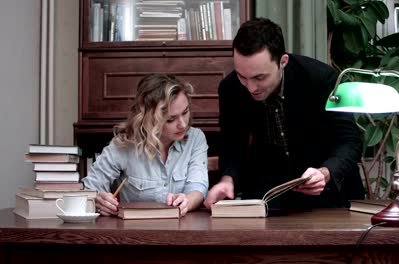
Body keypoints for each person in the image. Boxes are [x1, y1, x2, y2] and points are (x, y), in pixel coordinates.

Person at [204, 18, 365, 210]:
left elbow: (349, 141)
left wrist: (325, 172)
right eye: (242, 76)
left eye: (259, 77)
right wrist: (227, 180)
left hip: (331, 196)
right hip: (272, 197)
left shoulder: (321, 78)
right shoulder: (231, 88)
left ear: (283, 61)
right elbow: (232, 144)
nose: (250, 87)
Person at [82, 74, 209, 217]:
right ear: (149, 119)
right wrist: (98, 201)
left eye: (185, 112)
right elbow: (89, 189)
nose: (183, 124)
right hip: (133, 233)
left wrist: (186, 201)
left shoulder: (195, 138)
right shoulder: (124, 145)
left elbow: (198, 186)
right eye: (170, 119)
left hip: (182, 232)